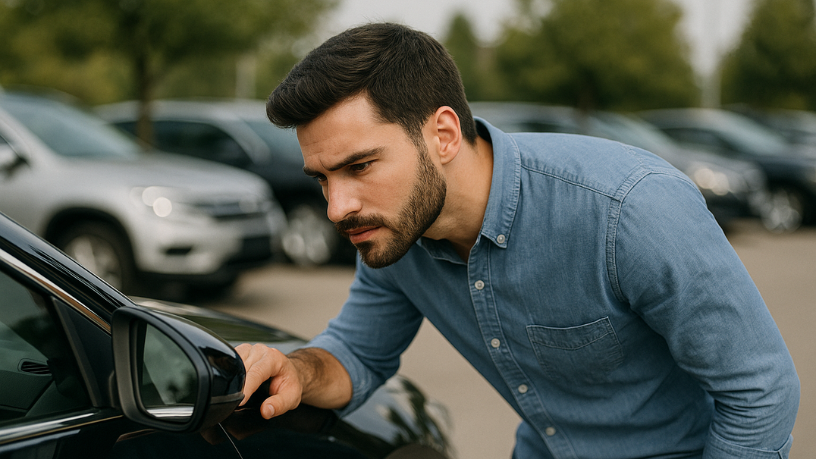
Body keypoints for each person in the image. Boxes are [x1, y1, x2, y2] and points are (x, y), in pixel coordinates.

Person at [236, 22, 800, 458]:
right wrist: (297, 372)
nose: (337, 208)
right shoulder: (393, 233)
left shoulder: (628, 208)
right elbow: (357, 353)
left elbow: (760, 390)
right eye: (322, 179)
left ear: (444, 135)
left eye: (359, 166)